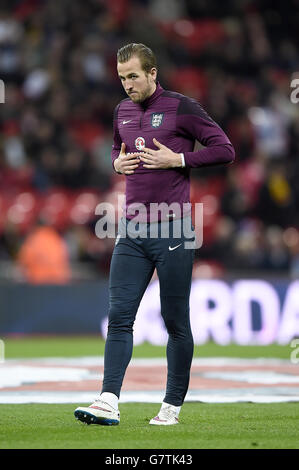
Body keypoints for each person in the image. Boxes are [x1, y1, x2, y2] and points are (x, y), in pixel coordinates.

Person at [74, 43, 235, 426]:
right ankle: (108, 399)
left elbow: (225, 149)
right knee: (119, 316)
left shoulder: (183, 108)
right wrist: (117, 162)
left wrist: (178, 158)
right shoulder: (122, 111)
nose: (127, 84)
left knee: (174, 320)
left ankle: (171, 407)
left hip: (174, 228)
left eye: (133, 76)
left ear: (152, 73)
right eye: (122, 78)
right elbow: (117, 147)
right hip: (131, 230)